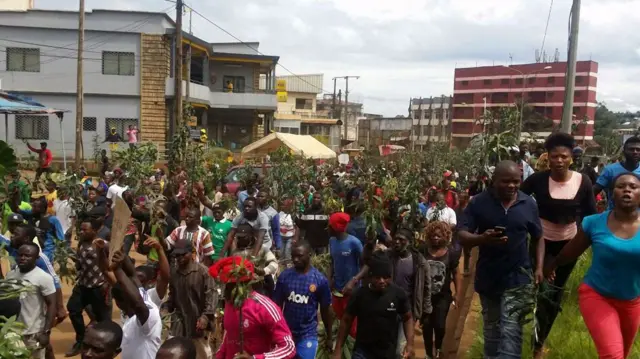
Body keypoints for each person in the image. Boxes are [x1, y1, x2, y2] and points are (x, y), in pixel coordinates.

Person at [544, 172, 640, 359]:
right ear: (611, 193)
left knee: (623, 354)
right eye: (621, 187)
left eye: (633, 187)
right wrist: (552, 264)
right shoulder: (595, 223)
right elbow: (571, 251)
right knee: (613, 355)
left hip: (632, 301)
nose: (627, 190)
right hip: (597, 296)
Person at [520, 133, 597, 357]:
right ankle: (532, 335)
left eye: (564, 156)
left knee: (554, 294)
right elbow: (518, 201)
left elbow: (591, 215)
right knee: (539, 289)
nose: (559, 161)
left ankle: (540, 341)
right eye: (554, 156)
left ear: (571, 158)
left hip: (569, 246)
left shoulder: (583, 182)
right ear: (548, 157)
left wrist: (586, 239)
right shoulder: (538, 180)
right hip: (540, 243)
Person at [458, 160, 543, 359]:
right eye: (506, 182)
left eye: (516, 181)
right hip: (489, 277)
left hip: (518, 278)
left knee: (512, 331)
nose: (512, 186)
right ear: (493, 181)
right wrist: (482, 239)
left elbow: (538, 237)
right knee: (492, 330)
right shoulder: (478, 202)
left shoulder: (528, 203)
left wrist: (539, 267)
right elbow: (461, 234)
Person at [333, 251, 415, 359]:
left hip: (387, 352)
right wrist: (338, 349)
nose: (382, 281)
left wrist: (409, 344)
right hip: (362, 351)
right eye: (377, 277)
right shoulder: (359, 295)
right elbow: (346, 320)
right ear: (370, 276)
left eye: (386, 277)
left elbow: (408, 318)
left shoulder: (398, 294)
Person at [210, 256, 296, 359]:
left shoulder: (264, 308)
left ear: (243, 284)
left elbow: (288, 347)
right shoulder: (230, 303)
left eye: (229, 286)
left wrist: (255, 358)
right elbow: (230, 336)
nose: (225, 291)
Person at [273, 241, 333, 359]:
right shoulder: (284, 276)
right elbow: (276, 306)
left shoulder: (320, 280)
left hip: (307, 334)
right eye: (293, 256)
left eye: (299, 256)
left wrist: (329, 336)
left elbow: (326, 310)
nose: (295, 259)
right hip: (286, 333)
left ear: (309, 255)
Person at [66, 218, 113, 357]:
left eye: (84, 229)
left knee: (103, 319)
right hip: (83, 285)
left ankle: (106, 346)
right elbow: (80, 262)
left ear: (94, 231)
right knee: (73, 309)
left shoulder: (102, 245)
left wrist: (108, 283)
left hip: (98, 287)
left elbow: (113, 263)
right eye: (80, 229)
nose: (81, 232)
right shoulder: (82, 243)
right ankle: (81, 341)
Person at [167, 240, 217, 359]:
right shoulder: (175, 273)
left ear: (191, 253)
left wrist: (205, 316)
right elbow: (172, 294)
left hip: (198, 322)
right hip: (179, 320)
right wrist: (167, 306)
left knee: (200, 354)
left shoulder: (203, 272)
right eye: (177, 255)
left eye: (183, 254)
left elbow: (212, 295)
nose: (180, 258)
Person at [6, 243, 57, 359]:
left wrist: (46, 332)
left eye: (27, 255)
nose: (23, 258)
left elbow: (51, 304)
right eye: (20, 255)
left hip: (34, 332)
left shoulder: (43, 277)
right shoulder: (10, 275)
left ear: (36, 258)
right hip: (13, 332)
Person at [110, 249, 163, 359]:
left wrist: (118, 269)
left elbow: (138, 303)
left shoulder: (149, 317)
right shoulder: (145, 298)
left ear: (118, 304)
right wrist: (124, 258)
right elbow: (133, 275)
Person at [389, 228, 432, 358]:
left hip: (407, 310)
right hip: (388, 306)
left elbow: (426, 286)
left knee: (399, 350)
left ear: (409, 242)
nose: (396, 242)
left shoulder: (419, 262)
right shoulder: (387, 256)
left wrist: (425, 309)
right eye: (395, 239)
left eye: (401, 240)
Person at [421, 222, 462, 359]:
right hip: (425, 296)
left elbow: (456, 273)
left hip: (443, 296)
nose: (435, 238)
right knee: (426, 325)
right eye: (433, 235)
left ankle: (438, 347)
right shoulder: (423, 251)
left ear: (445, 236)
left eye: (439, 235)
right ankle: (428, 353)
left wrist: (457, 293)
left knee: (439, 325)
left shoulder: (451, 254)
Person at [328, 212, 363, 338]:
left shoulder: (354, 243)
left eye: (330, 226)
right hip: (337, 290)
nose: (328, 228)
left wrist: (354, 281)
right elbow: (332, 261)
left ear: (336, 227)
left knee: (352, 325)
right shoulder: (331, 241)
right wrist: (329, 278)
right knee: (338, 321)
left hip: (351, 291)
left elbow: (365, 265)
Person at [231, 223, 278, 296]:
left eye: (244, 237)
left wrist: (263, 271)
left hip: (259, 284)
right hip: (241, 287)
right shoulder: (235, 252)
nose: (241, 239)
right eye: (239, 237)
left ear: (251, 235)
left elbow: (274, 263)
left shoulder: (262, 248)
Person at [594, 136, 640, 210]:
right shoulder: (610, 170)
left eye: (638, 150)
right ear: (624, 151)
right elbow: (594, 191)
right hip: (613, 217)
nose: (635, 152)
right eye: (631, 149)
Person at [24, 196, 65, 262]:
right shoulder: (31, 216)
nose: (32, 209)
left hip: (46, 253)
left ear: (43, 209)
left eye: (35, 207)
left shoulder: (53, 220)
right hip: (31, 251)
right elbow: (16, 210)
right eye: (32, 206)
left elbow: (61, 239)